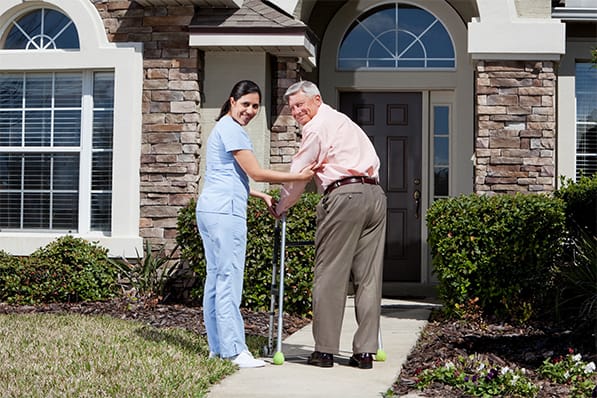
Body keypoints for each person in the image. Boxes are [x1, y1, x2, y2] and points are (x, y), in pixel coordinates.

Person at [196, 80, 314, 368]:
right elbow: (257, 172)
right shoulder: (232, 130)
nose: (249, 110)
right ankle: (235, 351)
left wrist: (258, 194)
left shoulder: (222, 129)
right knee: (229, 279)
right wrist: (299, 178)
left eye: (255, 106)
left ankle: (218, 347)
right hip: (225, 213)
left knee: (216, 279)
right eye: (245, 104)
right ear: (232, 101)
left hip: (211, 209)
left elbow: (227, 176)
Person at [275, 80, 387, 370]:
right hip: (375, 195)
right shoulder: (344, 121)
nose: (297, 112)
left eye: (300, 105)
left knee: (330, 273)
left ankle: (324, 351)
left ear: (316, 100)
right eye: (292, 108)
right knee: (369, 278)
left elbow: (298, 173)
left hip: (343, 195)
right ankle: (365, 353)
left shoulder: (316, 128)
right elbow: (373, 160)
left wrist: (281, 206)